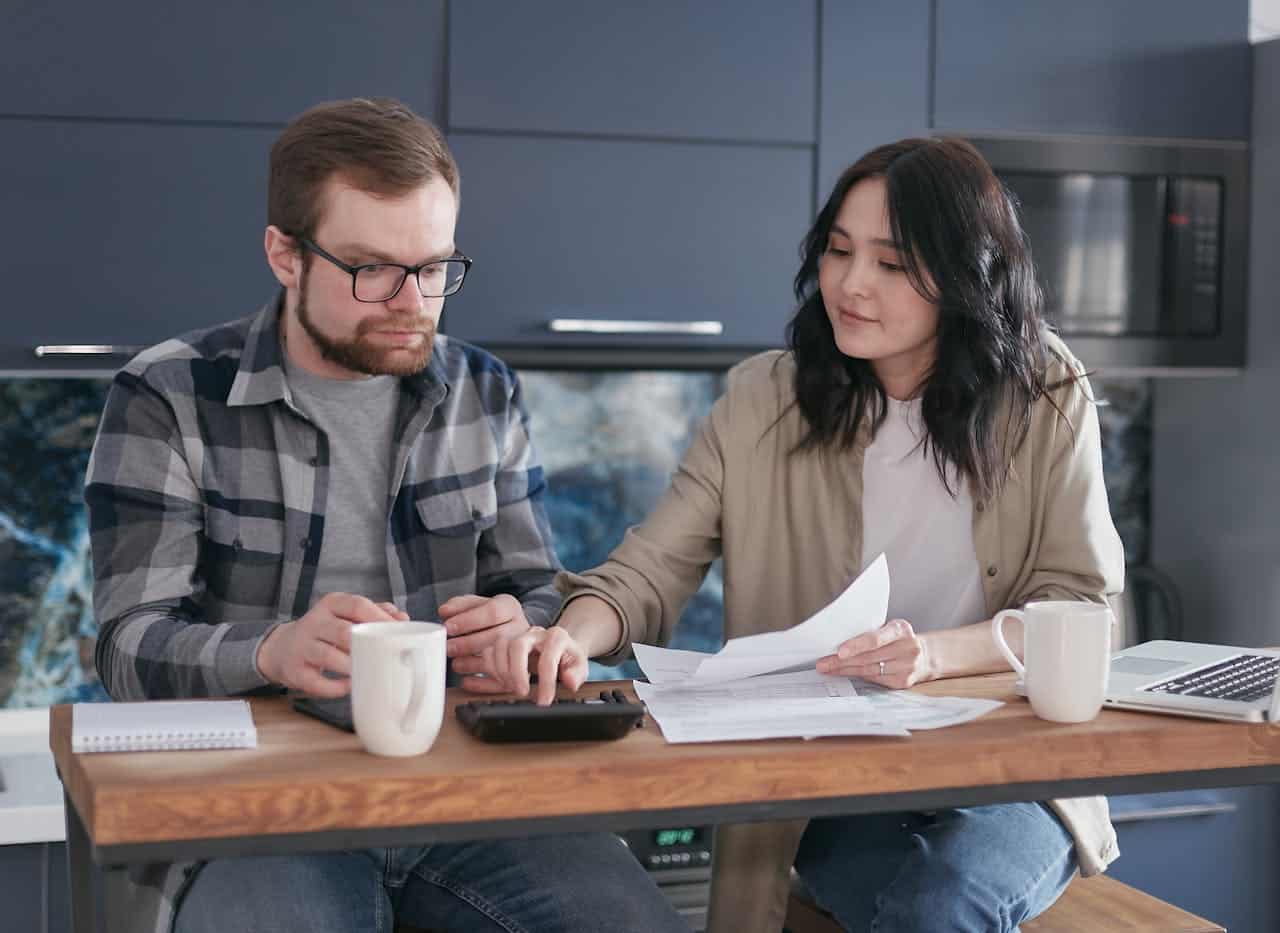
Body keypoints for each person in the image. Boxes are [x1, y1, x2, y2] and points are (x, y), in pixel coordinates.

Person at [466, 137, 1126, 933]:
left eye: (890, 263)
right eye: (839, 251)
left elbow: (1082, 605)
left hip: (1008, 769)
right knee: (915, 912)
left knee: (946, 899)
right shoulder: (762, 400)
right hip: (836, 777)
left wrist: (939, 652)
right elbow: (645, 572)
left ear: (963, 275)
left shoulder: (1045, 391)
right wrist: (572, 636)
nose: (850, 284)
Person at [84, 97, 686, 933]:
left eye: (435, 267)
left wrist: (522, 627)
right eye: (373, 269)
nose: (414, 301)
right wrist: (273, 649)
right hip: (259, 810)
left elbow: (537, 592)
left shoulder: (484, 391)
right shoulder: (169, 395)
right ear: (285, 254)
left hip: (471, 792)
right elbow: (126, 646)